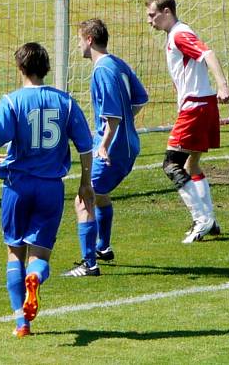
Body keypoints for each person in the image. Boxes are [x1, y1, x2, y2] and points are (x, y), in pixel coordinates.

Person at [0, 43, 94, 338]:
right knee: (40, 254)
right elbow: (85, 147)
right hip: (50, 189)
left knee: (14, 252)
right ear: (46, 68)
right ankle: (36, 277)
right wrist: (85, 183)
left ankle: (22, 324)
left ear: (20, 68)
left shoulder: (11, 102)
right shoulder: (66, 102)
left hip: (17, 187)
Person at [63, 19, 148, 277]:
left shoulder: (102, 70)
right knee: (99, 194)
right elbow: (141, 98)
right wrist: (125, 127)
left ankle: (89, 264)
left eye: (79, 39)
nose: (78, 44)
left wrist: (104, 145)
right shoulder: (118, 63)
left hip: (113, 148)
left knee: (83, 198)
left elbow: (112, 117)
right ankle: (103, 247)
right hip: (130, 144)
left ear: (89, 39)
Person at [146, 0, 229, 243]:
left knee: (170, 165)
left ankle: (201, 219)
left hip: (195, 108)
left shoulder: (179, 34)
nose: (150, 21)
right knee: (190, 166)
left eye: (152, 15)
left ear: (166, 12)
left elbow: (208, 54)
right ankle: (211, 220)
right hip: (201, 105)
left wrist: (223, 85)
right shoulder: (177, 34)